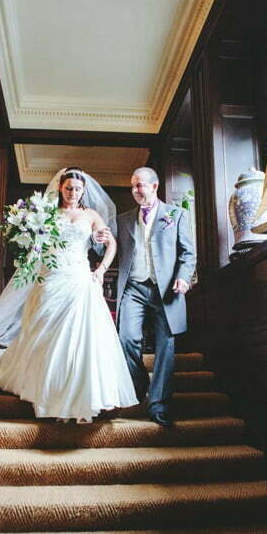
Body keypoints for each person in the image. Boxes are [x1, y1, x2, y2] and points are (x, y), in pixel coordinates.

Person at [0, 167, 138, 423]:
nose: (73, 193)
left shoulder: (91, 215)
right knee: (46, 334)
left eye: (77, 189)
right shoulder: (46, 214)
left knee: (80, 339)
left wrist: (100, 271)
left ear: (83, 190)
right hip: (50, 277)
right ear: (60, 188)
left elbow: (111, 243)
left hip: (79, 278)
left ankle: (80, 400)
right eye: (68, 188)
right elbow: (35, 245)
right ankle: (48, 395)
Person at [107, 166, 196, 427]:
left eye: (140, 185)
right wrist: (99, 237)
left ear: (154, 186)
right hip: (133, 288)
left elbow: (188, 253)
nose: (135, 190)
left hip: (166, 290)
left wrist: (183, 277)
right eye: (133, 186)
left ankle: (158, 404)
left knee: (165, 346)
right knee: (127, 339)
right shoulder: (124, 220)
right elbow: (108, 245)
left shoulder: (176, 215)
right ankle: (139, 386)